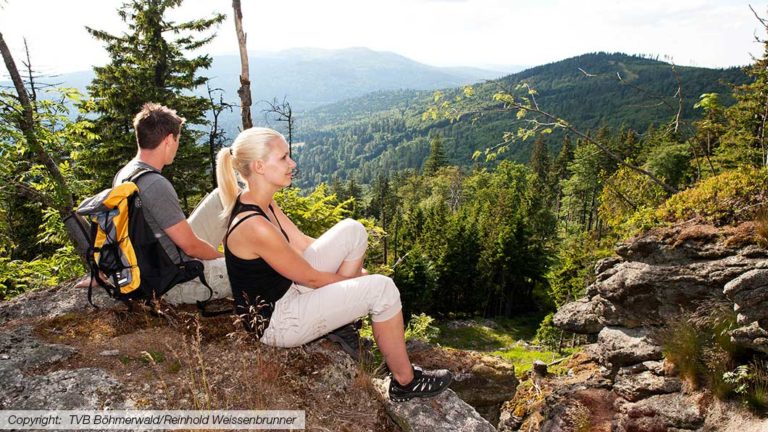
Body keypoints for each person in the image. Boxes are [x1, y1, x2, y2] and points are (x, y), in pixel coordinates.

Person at [215, 127, 453, 402]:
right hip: (278, 320)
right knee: (382, 289)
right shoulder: (254, 225)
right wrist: (358, 285)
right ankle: (405, 382)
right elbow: (311, 278)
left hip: (289, 291)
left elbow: (303, 244)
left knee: (353, 230)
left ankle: (341, 319)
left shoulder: (261, 202)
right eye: (284, 158)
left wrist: (348, 281)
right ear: (259, 166)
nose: (292, 164)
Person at [112, 102, 231, 303]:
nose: (177, 145)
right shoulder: (154, 184)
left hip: (157, 258)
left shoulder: (125, 173)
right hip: (176, 279)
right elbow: (191, 247)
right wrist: (225, 261)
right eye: (177, 139)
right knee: (258, 268)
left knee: (223, 196)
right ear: (168, 139)